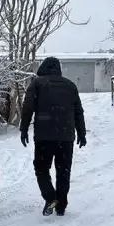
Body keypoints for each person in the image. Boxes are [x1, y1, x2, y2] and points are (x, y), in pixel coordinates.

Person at [19, 56, 87, 216]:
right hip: (66, 136)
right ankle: (61, 205)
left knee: (42, 169)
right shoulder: (70, 86)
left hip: (44, 137)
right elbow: (78, 111)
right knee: (64, 170)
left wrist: (23, 128)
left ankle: (50, 198)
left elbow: (27, 107)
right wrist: (81, 133)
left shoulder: (37, 83)